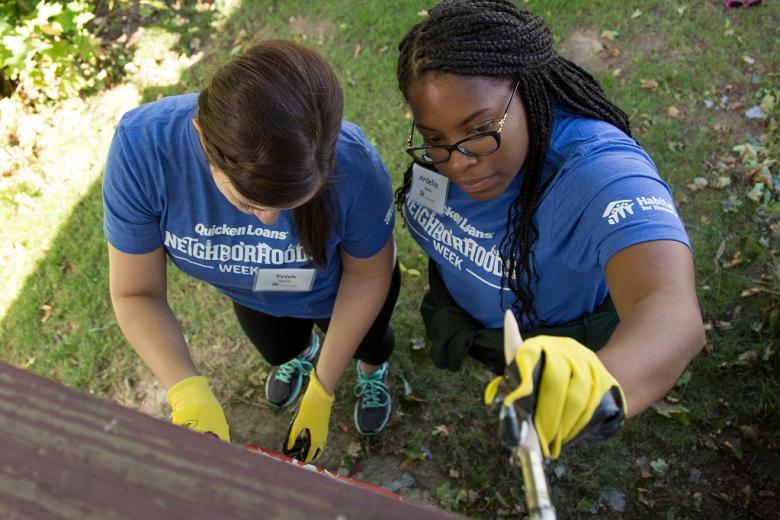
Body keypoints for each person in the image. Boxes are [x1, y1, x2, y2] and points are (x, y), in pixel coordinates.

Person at [395, 0, 705, 459]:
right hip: (490, 330)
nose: (458, 163)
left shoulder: (596, 172)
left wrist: (600, 386)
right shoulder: (450, 157)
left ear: (530, 91)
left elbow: (670, 310)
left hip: (560, 340)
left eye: (480, 129)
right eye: (435, 140)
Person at [103, 40, 399, 463]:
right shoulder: (142, 149)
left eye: (288, 206)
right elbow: (136, 293)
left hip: (341, 294)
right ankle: (300, 359)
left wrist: (322, 390)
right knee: (279, 350)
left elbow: (369, 275)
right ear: (203, 138)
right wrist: (187, 393)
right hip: (253, 295)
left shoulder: (356, 165)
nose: (267, 222)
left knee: (371, 344)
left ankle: (371, 372)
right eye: (248, 203)